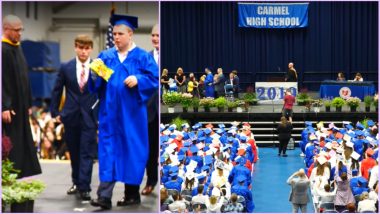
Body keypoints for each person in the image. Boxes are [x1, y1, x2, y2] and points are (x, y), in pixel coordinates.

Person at [88, 14, 158, 209]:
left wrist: (139, 80)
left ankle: (132, 195)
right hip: (109, 116)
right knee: (108, 152)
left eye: (120, 33)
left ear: (130, 34)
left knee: (132, 152)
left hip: (132, 117)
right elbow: (95, 86)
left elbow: (154, 80)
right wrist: (94, 75)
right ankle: (104, 196)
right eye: (114, 33)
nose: (116, 37)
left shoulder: (143, 57)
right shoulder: (106, 57)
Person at [50, 34, 98, 201]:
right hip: (70, 115)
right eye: (80, 47)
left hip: (90, 116)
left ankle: (85, 187)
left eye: (86, 48)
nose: (83, 51)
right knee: (74, 151)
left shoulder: (98, 67)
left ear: (91, 49)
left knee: (86, 152)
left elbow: (108, 89)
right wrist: (54, 112)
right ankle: (76, 182)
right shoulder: (66, 67)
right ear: (75, 47)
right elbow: (57, 89)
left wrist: (103, 113)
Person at [2, 14, 42, 178]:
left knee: (21, 143)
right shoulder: (3, 50)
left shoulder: (17, 48)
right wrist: (4, 106)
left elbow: (24, 79)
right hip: (10, 109)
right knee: (12, 143)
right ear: (6, 29)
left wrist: (27, 105)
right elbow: (2, 81)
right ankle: (8, 176)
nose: (20, 33)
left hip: (20, 107)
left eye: (21, 30)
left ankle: (17, 174)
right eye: (16, 30)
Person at [138, 23, 159, 197]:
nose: (154, 38)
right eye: (153, 35)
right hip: (150, 111)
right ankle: (151, 181)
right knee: (150, 150)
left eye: (158, 35)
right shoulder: (145, 58)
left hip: (167, 110)